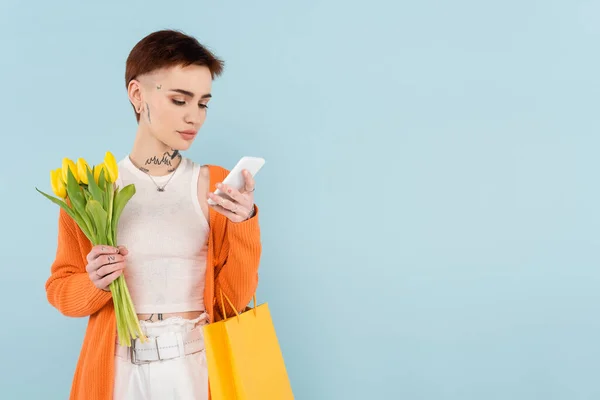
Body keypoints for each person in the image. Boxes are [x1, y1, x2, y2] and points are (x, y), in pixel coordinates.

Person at [45, 29, 262, 400]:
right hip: (119, 369)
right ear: (137, 95)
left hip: (196, 366)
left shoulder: (217, 184)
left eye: (203, 103)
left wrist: (244, 225)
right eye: (180, 100)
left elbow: (234, 298)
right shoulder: (90, 190)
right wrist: (94, 282)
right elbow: (61, 290)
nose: (194, 117)